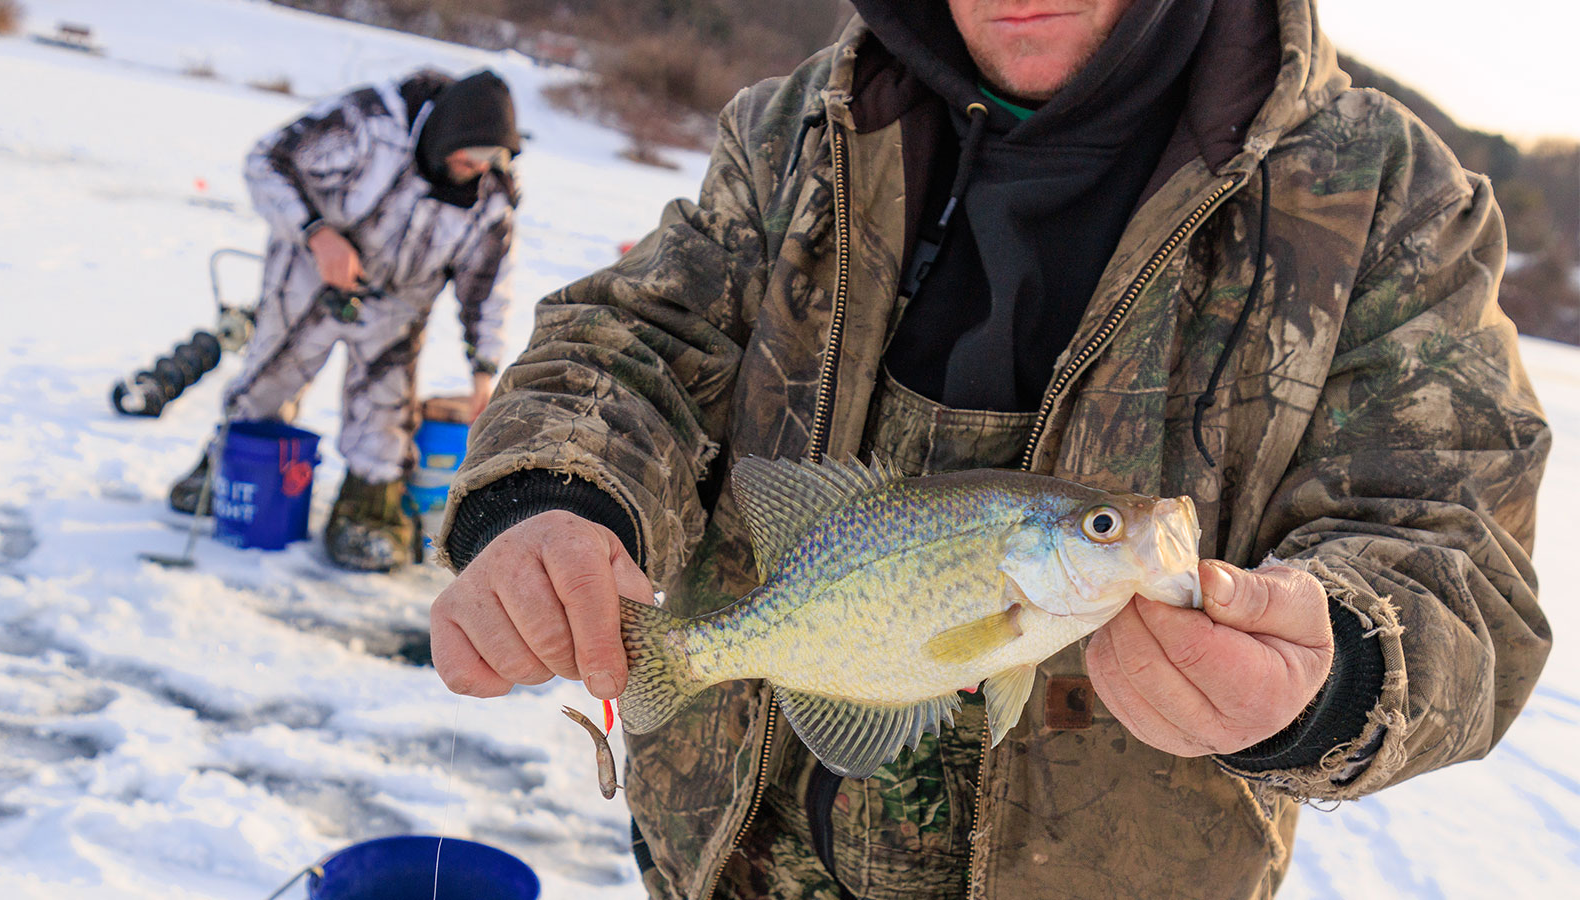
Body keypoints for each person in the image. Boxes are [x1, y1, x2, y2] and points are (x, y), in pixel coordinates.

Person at [428, 1, 1552, 897]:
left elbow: (1457, 554)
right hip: (715, 862)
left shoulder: (1391, 199)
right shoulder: (793, 131)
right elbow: (637, 340)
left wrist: (1333, 673)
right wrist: (549, 491)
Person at [168, 68, 520, 573]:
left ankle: (367, 515)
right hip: (312, 273)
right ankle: (224, 476)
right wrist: (317, 234)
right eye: (472, 153)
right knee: (266, 384)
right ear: (447, 133)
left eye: (492, 158)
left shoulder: (493, 196)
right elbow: (266, 161)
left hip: (399, 304)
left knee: (383, 415)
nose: (477, 167)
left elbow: (488, 285)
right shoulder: (368, 120)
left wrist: (484, 367)